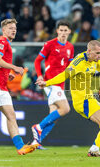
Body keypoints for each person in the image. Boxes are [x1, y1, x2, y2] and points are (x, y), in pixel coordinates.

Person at [35, 40, 100, 157]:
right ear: (89, 51)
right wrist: (46, 83)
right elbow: (64, 75)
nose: (99, 56)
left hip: (89, 98)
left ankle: (94, 149)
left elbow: (99, 66)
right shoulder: (78, 63)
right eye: (97, 53)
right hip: (82, 101)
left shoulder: (94, 60)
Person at [0, 18, 38, 155]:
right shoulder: (2, 41)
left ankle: (20, 147)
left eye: (15, 29)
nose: (14, 30)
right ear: (4, 30)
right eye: (11, 28)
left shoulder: (5, 43)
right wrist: (14, 68)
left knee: (11, 116)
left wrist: (7, 73)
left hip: (2, 86)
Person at [32, 20, 74, 149]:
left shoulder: (70, 47)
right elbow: (37, 61)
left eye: (65, 30)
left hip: (60, 84)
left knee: (54, 115)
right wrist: (39, 75)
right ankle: (38, 127)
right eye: (60, 30)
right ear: (57, 31)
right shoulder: (49, 44)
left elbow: (69, 67)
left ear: (69, 32)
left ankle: (36, 142)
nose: (62, 33)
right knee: (66, 108)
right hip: (50, 82)